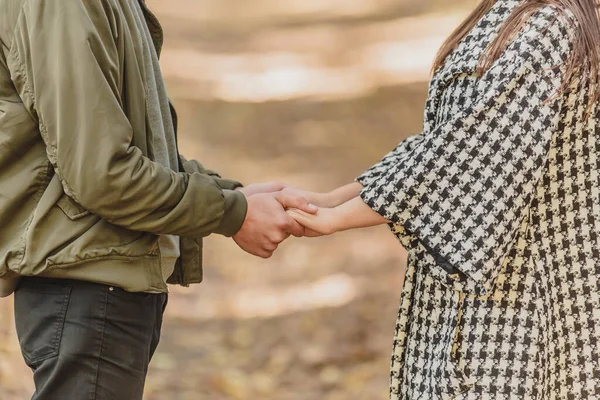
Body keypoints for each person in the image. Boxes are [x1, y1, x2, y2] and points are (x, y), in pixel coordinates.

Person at [0, 0, 316, 399]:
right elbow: (102, 173)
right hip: (85, 280)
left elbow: (133, 146)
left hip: (100, 277)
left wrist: (229, 195)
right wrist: (232, 213)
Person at [288, 0, 600, 398]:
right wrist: (334, 199)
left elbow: (474, 155)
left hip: (513, 296)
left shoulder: (550, 26)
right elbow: (443, 142)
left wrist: (340, 217)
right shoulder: (510, 12)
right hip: (478, 286)